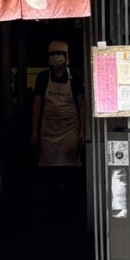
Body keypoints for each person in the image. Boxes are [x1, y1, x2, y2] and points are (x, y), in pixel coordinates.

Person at [30, 40, 85, 170]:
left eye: (59, 53)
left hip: (70, 129)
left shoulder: (75, 78)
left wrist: (82, 131)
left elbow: (81, 106)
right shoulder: (43, 78)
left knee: (69, 166)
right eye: (53, 54)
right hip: (48, 130)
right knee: (49, 168)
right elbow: (37, 105)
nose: (56, 57)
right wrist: (34, 131)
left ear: (66, 56)